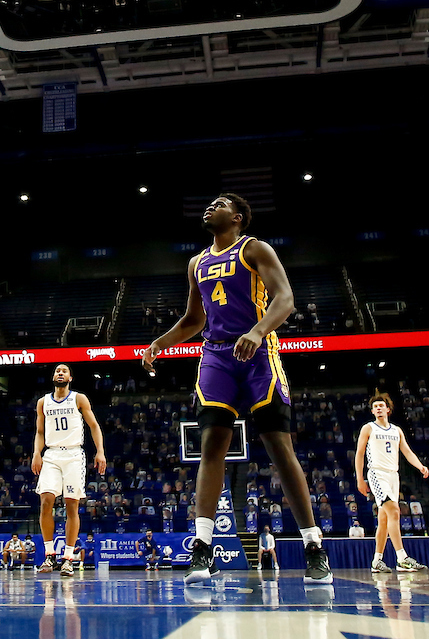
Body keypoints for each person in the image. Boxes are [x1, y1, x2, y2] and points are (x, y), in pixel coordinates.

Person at [144, 194, 332, 586]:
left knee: (278, 445)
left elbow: (286, 299)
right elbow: (194, 319)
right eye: (209, 203)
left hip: (258, 350)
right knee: (211, 443)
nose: (211, 207)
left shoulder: (254, 248)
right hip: (215, 355)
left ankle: (314, 547)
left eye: (221, 203)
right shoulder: (196, 262)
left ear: (239, 217)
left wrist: (258, 330)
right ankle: (202, 549)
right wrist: (159, 344)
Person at [32, 364, 106, 577]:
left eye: (64, 371)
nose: (60, 373)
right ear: (53, 377)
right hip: (52, 454)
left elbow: (94, 426)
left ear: (70, 377)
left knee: (71, 506)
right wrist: (37, 453)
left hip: (74, 454)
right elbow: (39, 431)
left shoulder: (79, 398)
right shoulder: (43, 402)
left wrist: (100, 451)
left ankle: (68, 558)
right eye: (57, 371)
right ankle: (49, 554)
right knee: (46, 501)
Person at [356, 392, 429, 573]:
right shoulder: (368, 428)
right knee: (395, 511)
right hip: (377, 474)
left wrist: (420, 466)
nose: (379, 408)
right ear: (372, 411)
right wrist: (359, 478)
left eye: (381, 406)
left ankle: (377, 561)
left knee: (384, 519)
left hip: (393, 476)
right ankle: (402, 558)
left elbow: (407, 451)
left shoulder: (397, 430)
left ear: (388, 409)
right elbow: (359, 453)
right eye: (375, 407)